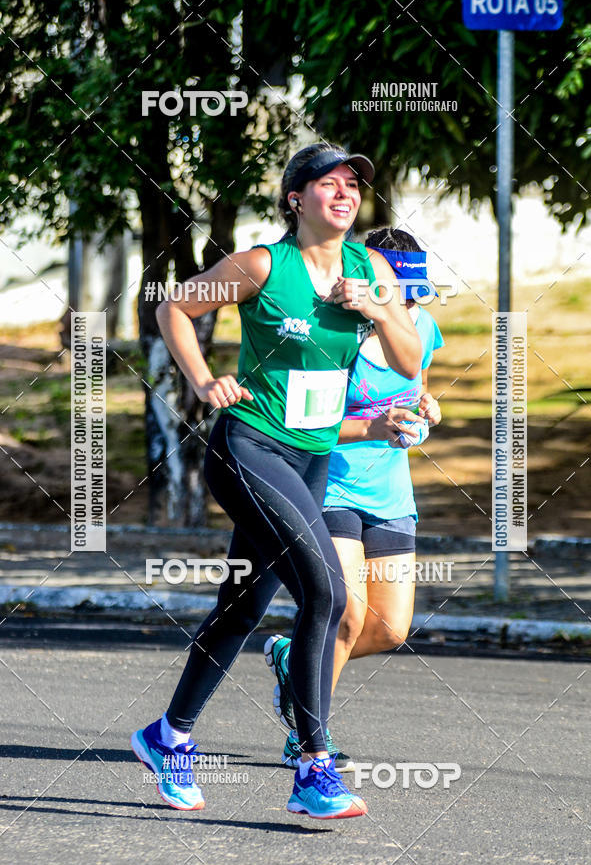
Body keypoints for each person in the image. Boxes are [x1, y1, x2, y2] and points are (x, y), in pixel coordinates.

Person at [130, 144, 422, 819]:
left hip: (312, 458)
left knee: (243, 606)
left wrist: (377, 307)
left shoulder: (367, 266)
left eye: (353, 184)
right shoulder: (265, 264)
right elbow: (175, 307)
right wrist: (204, 381)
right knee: (327, 591)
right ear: (295, 198)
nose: (345, 194)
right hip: (250, 447)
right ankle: (313, 767)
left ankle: (167, 735)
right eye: (328, 184)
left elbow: (407, 360)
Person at [264, 228, 443, 771]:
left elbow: (416, 386)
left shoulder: (422, 328)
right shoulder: (328, 335)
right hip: (331, 485)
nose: (409, 302)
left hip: (390, 492)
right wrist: (372, 428)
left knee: (389, 629)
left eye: (416, 291)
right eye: (399, 290)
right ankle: (307, 737)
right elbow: (306, 423)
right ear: (367, 282)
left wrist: (427, 410)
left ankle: (295, 660)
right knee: (344, 616)